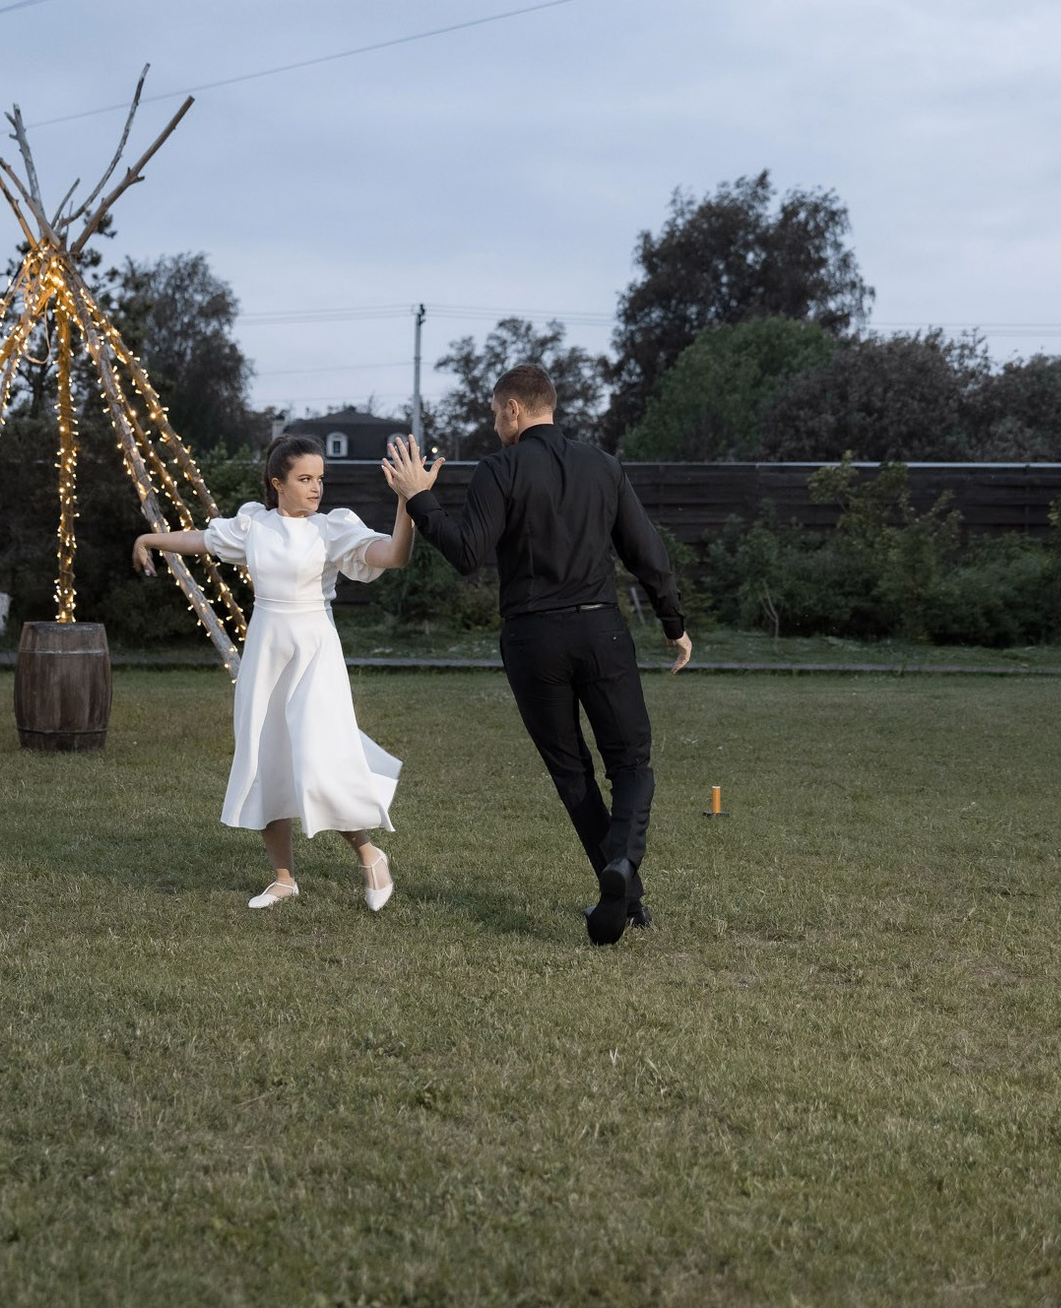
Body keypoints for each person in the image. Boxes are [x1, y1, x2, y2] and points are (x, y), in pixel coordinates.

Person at [385, 363, 693, 944]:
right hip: (601, 630)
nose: (494, 420)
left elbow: (467, 554)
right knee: (631, 762)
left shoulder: (498, 470)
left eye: (495, 410)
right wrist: (673, 622)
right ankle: (623, 870)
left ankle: (625, 893)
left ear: (514, 410)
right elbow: (647, 552)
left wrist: (421, 500)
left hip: (532, 640)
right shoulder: (604, 466)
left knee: (571, 769)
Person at [133, 434, 420, 911]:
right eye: (305, 479)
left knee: (318, 756)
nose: (316, 489)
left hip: (314, 651)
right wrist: (150, 538)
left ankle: (370, 854)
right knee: (265, 756)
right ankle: (284, 878)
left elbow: (394, 555)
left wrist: (407, 502)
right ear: (277, 483)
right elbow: (200, 539)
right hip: (266, 650)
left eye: (320, 479)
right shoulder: (253, 527)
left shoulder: (332, 529)